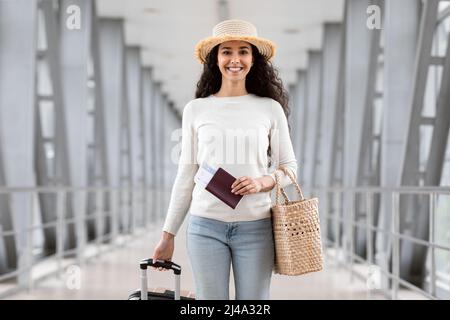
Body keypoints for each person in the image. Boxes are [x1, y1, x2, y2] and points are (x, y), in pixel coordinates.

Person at [152, 19, 298, 300]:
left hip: (256, 227)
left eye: (243, 51)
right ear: (215, 59)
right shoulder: (195, 110)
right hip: (205, 227)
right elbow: (185, 176)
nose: (235, 59)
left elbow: (289, 168)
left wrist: (263, 182)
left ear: (253, 59)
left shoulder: (270, 108)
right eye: (226, 51)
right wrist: (167, 235)